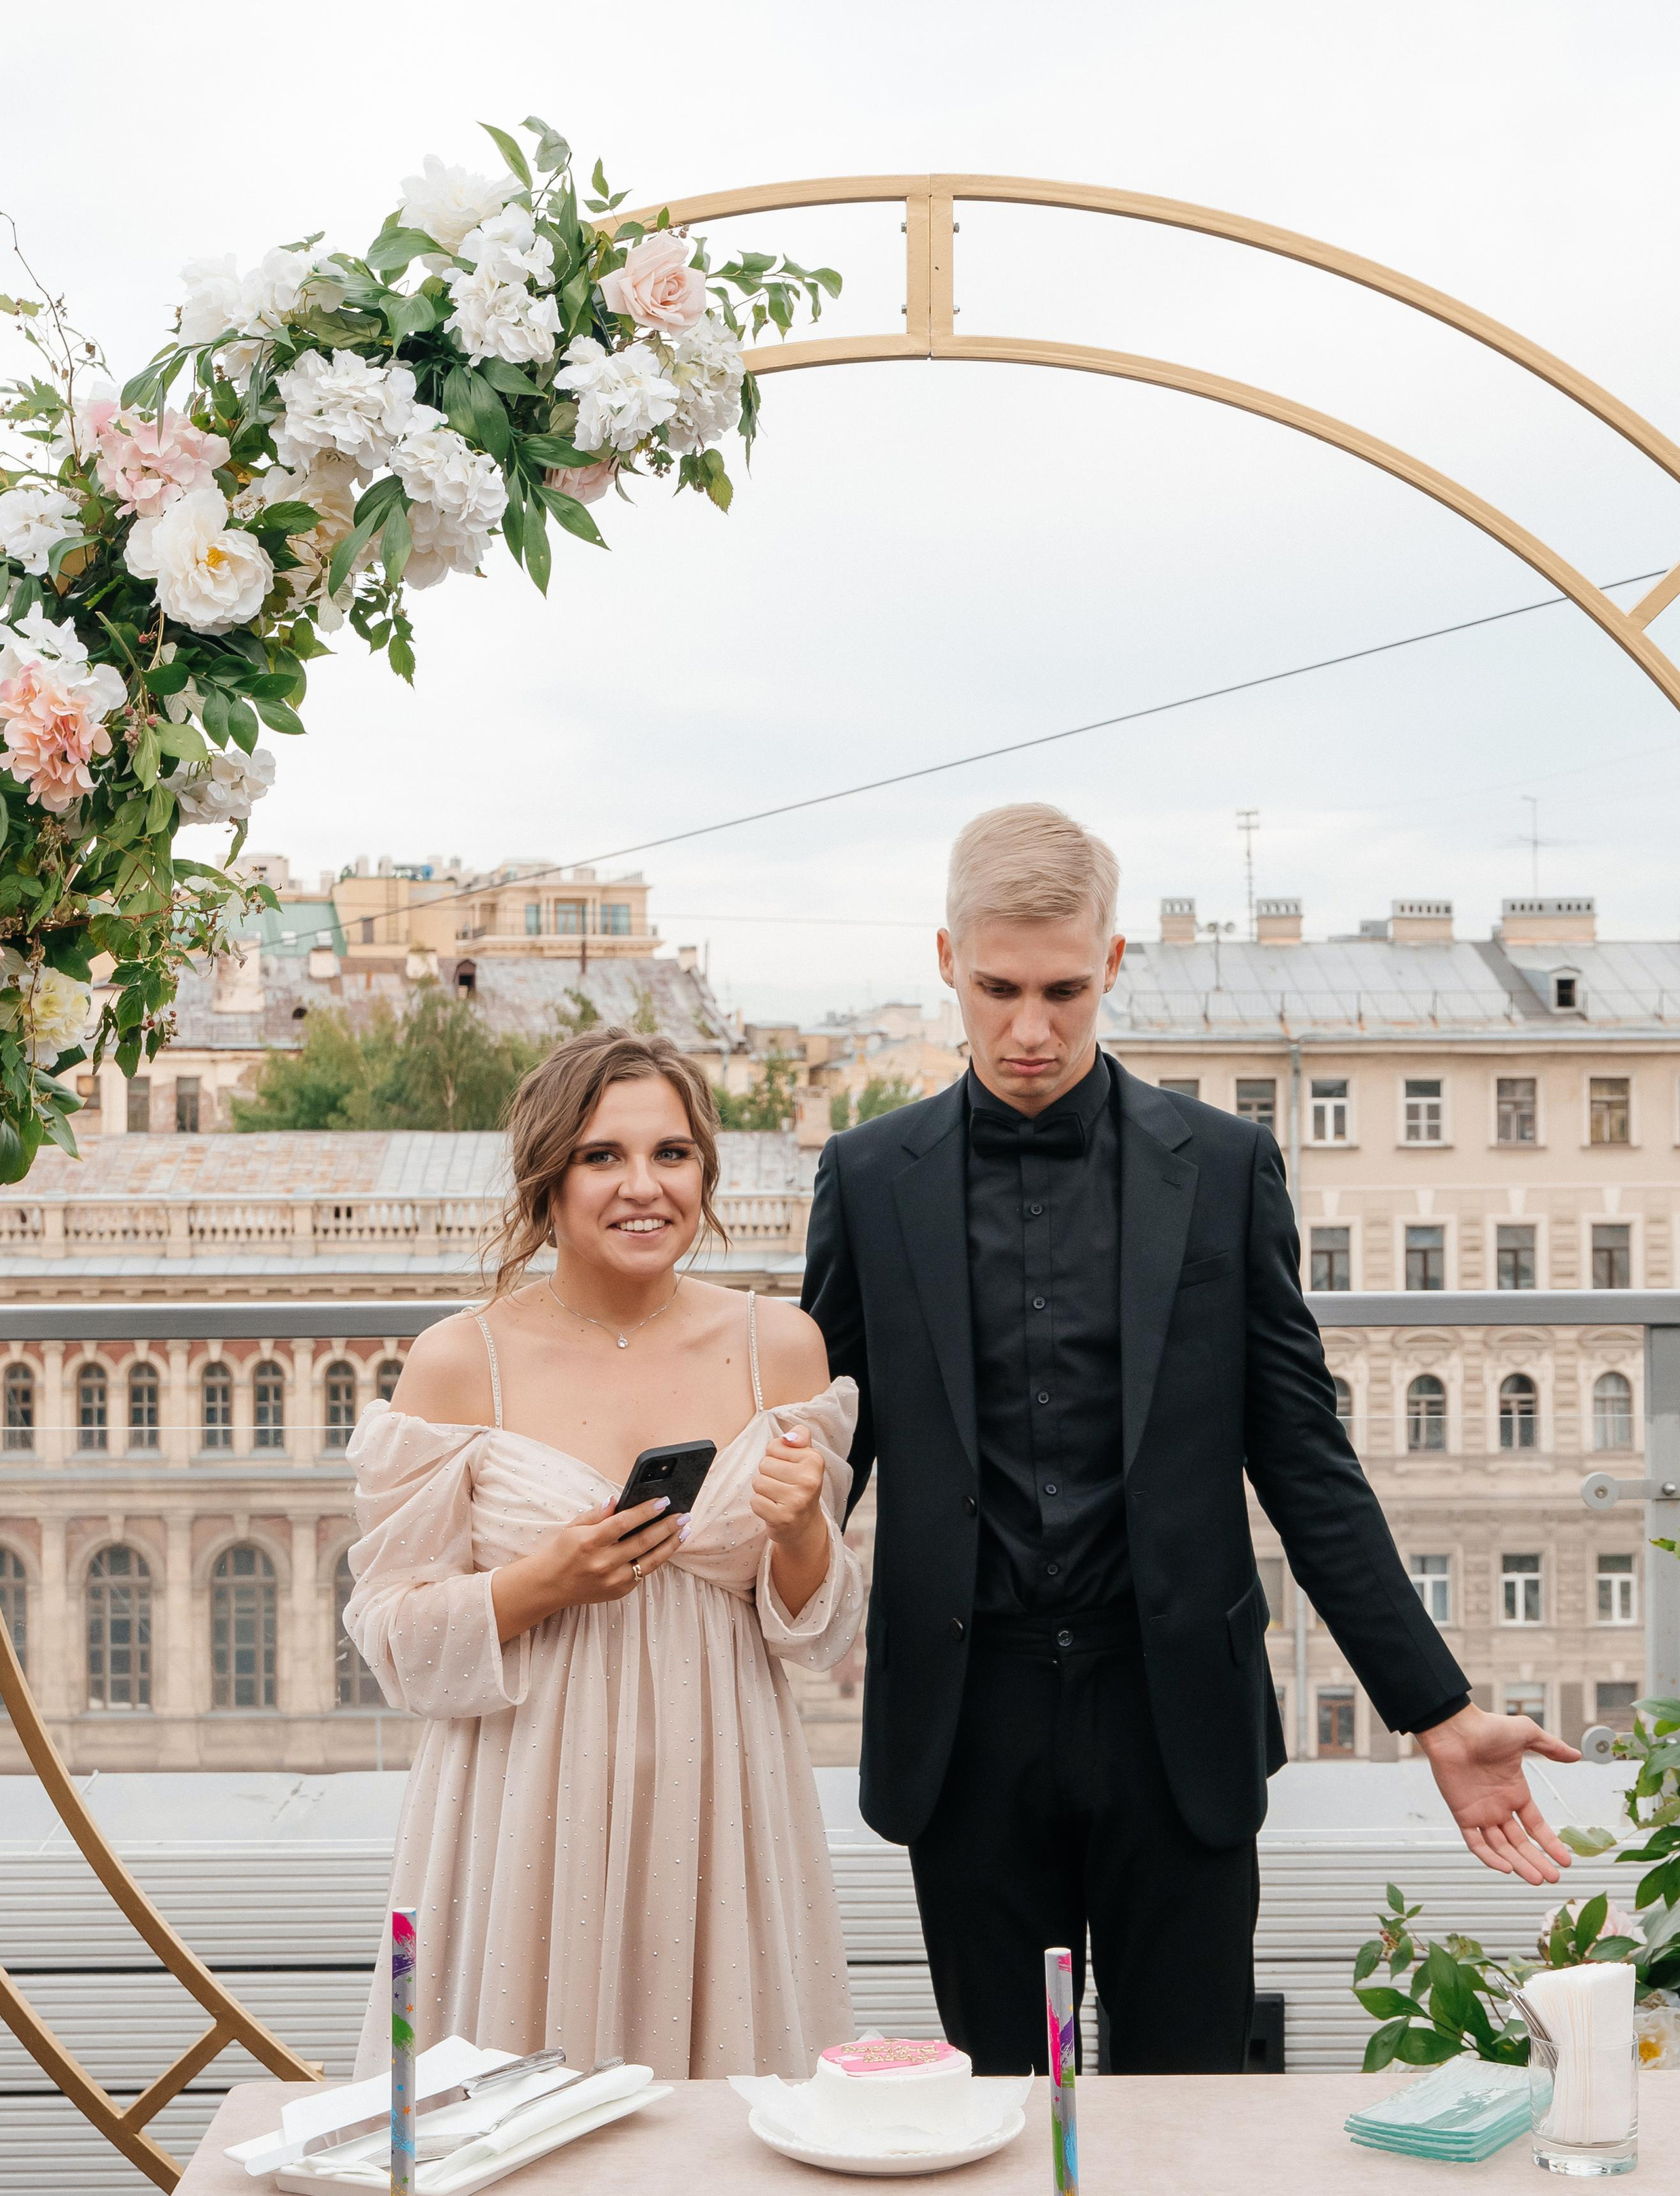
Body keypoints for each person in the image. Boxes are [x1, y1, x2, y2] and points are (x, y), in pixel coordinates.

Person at [803, 802, 1577, 2077]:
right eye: (998, 989)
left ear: (1112, 965)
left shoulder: (1222, 1169)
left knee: (1194, 2098)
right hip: (966, 1718)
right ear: (947, 960)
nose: (1032, 1030)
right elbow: (822, 1458)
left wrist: (1436, 1710)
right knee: (993, 2106)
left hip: (1175, 1721)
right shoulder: (866, 1176)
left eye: (1063, 989)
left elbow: (1304, 1459)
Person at [346, 1027, 863, 2081]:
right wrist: (540, 1586)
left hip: (726, 1793)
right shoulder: (461, 1362)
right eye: (602, 1157)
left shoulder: (784, 1348)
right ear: (549, 1175)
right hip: (523, 1806)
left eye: (672, 1155)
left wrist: (804, 1528)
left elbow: (814, 1628)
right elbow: (390, 1632)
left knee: (729, 2138)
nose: (644, 1187)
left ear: (705, 1172)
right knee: (515, 2134)